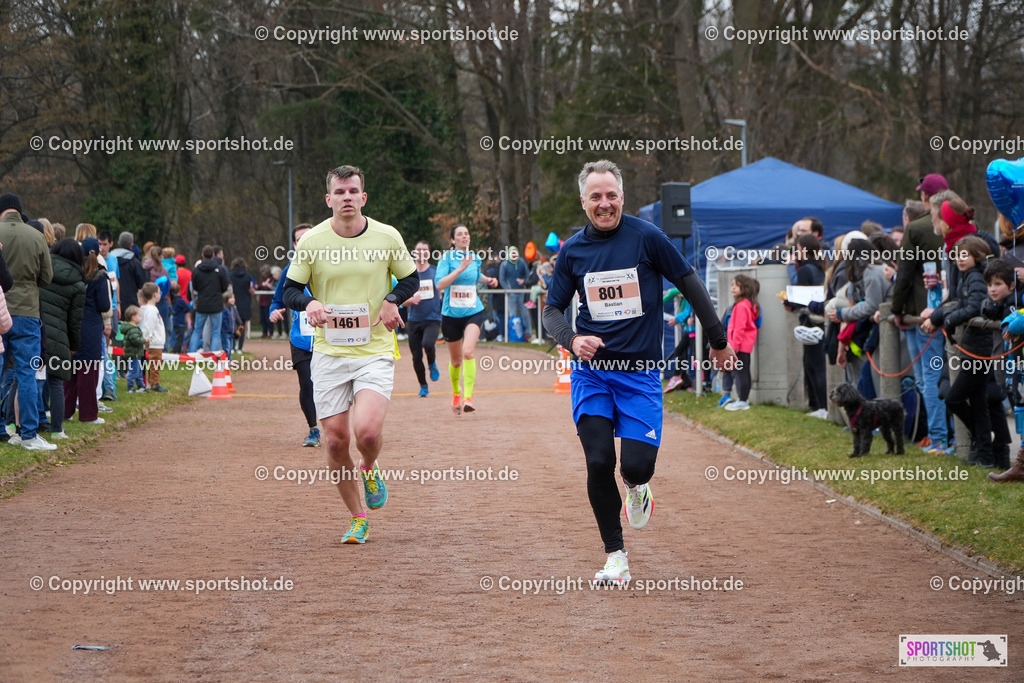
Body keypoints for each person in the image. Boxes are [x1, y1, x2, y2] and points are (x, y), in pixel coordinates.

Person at [543, 160, 735, 585]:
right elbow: (552, 309)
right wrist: (572, 339)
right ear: (583, 201)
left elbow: (689, 283)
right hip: (592, 373)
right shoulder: (573, 251)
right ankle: (615, 556)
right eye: (596, 197)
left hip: (640, 374)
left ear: (622, 197)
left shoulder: (647, 238)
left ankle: (637, 485)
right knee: (598, 460)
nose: (604, 204)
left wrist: (718, 340)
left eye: (611, 195)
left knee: (637, 466)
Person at [282, 165, 418, 544]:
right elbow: (290, 290)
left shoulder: (387, 236)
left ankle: (369, 466)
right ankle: (358, 518)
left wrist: (392, 299)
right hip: (329, 352)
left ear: (363, 197)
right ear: (329, 199)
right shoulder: (312, 241)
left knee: (367, 432)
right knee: (335, 441)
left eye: (353, 191)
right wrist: (309, 303)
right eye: (339, 192)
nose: (347, 197)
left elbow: (411, 279)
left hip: (374, 349)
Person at [923, 235, 993, 465]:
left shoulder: (975, 277)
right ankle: (984, 452)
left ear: (977, 255)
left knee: (954, 398)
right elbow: (961, 303)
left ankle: (982, 444)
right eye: (958, 255)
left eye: (966, 255)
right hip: (973, 346)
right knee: (978, 403)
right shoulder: (967, 276)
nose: (960, 259)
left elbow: (974, 307)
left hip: (978, 349)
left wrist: (950, 319)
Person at [0, 193, 56, 451]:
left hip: (1, 309)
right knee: (27, 374)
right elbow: (46, 277)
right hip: (27, 312)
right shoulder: (36, 235)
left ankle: (2, 429)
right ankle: (29, 434)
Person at [435, 224, 498, 415]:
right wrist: (460, 269)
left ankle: (468, 398)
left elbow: (476, 275)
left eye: (466, 234)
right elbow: (439, 285)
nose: (464, 236)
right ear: (452, 240)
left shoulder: (475, 258)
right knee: (456, 361)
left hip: (473, 311)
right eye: (460, 234)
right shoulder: (446, 259)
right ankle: (456, 393)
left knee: (468, 352)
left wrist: (488, 280)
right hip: (451, 315)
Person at [269, 223, 319, 447]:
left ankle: (340, 429)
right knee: (307, 384)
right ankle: (313, 430)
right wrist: (273, 311)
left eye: (309, 237)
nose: (305, 243)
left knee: (334, 386)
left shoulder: (331, 266)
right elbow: (277, 300)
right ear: (294, 245)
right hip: (301, 339)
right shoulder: (290, 271)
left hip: (330, 339)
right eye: (300, 240)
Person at [39, 238, 87, 439]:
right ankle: (57, 429)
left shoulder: (42, 269)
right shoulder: (78, 285)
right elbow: (75, 321)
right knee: (56, 383)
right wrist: (74, 346)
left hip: (37, 329)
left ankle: (21, 424)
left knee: (29, 379)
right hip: (59, 335)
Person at [64, 237, 110, 423]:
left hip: (72, 323)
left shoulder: (73, 273)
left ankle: (65, 412)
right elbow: (104, 305)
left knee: (70, 372)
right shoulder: (100, 276)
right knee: (88, 372)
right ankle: (88, 414)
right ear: (97, 253)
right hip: (91, 326)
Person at [403, 240, 442, 397]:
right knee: (416, 357)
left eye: (425, 250)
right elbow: (401, 300)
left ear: (429, 253)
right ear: (414, 252)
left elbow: (443, 287)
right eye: (418, 250)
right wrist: (410, 300)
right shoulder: (409, 273)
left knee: (428, 344)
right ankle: (423, 386)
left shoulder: (435, 272)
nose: (421, 252)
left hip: (432, 318)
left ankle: (432, 363)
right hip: (414, 320)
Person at [724, 274, 760, 412]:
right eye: (732, 285)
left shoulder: (741, 306)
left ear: (744, 288)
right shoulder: (746, 304)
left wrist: (734, 347)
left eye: (736, 285)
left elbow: (739, 328)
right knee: (743, 372)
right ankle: (743, 399)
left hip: (740, 346)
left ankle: (743, 400)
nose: (732, 288)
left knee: (741, 373)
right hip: (743, 345)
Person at [188, 245, 230, 351]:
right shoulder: (220, 269)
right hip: (216, 304)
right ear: (213, 255)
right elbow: (225, 286)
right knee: (216, 332)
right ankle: (213, 356)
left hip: (202, 303)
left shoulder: (197, 270)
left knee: (197, 331)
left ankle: (191, 355)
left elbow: (195, 286)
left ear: (202, 255)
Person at [499, 246, 533, 341]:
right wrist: (508, 289)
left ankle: (528, 333)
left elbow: (527, 275)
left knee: (525, 313)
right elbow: (502, 279)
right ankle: (512, 334)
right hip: (511, 293)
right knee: (512, 314)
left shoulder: (521, 262)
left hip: (522, 292)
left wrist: (524, 282)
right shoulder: (504, 264)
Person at [139, 282, 168, 393]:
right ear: (154, 295)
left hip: (152, 341)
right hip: (154, 342)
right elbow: (148, 326)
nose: (160, 294)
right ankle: (154, 383)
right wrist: (146, 338)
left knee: (152, 363)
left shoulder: (144, 308)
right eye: (159, 292)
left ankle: (150, 382)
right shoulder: (152, 310)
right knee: (155, 363)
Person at [229, 257, 255, 350]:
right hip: (245, 303)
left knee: (232, 326)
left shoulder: (230, 276)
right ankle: (240, 347)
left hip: (233, 303)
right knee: (242, 326)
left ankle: (232, 346)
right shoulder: (248, 277)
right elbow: (252, 290)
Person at [120, 305, 146, 392]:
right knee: (133, 371)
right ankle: (130, 387)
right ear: (134, 317)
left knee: (139, 371)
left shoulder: (134, 328)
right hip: (133, 354)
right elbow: (136, 340)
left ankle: (141, 386)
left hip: (136, 354)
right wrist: (144, 340)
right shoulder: (133, 330)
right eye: (140, 316)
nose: (141, 318)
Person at [170, 282, 190, 354]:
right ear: (179, 291)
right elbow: (188, 308)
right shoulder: (181, 301)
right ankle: (176, 351)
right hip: (181, 322)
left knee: (175, 337)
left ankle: (173, 348)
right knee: (179, 339)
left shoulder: (172, 300)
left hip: (175, 321)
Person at [220, 290, 241, 359]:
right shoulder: (224, 309)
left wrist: (237, 329)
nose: (233, 299)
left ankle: (228, 358)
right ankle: (226, 359)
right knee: (226, 347)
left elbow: (236, 320)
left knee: (230, 347)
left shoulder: (233, 308)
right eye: (231, 298)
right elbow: (224, 321)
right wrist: (228, 328)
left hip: (232, 332)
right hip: (225, 332)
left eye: (234, 298)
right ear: (226, 299)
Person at [258, 265, 275, 338]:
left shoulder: (271, 279)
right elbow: (260, 286)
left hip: (268, 301)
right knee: (263, 318)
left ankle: (271, 332)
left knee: (268, 318)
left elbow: (272, 287)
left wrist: (266, 285)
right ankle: (264, 332)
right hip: (262, 301)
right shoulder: (263, 279)